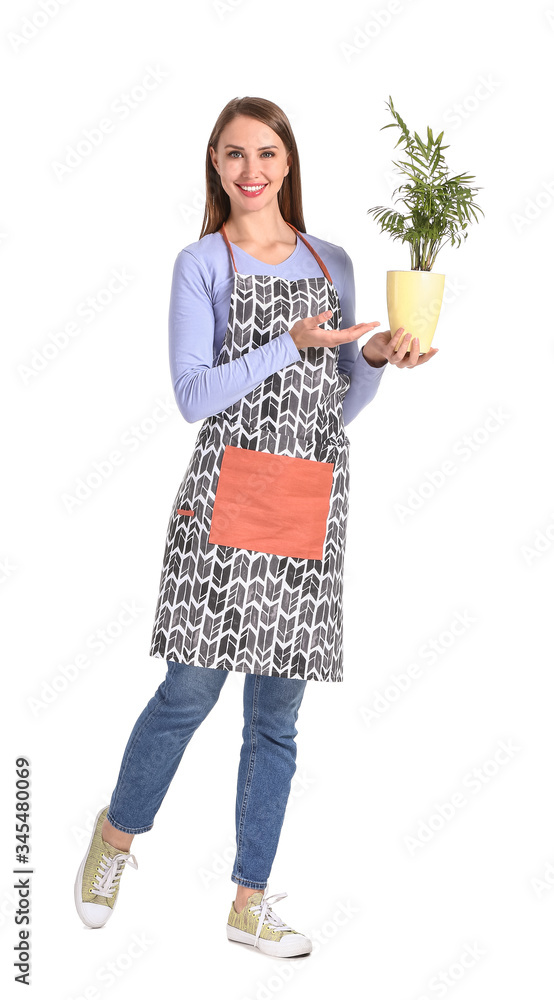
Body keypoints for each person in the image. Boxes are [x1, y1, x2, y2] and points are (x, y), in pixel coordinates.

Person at [74, 95, 437, 957]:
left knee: (276, 717)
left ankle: (249, 900)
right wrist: (293, 342)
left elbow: (340, 402)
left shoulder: (334, 259)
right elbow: (194, 395)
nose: (251, 170)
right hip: (223, 494)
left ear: (288, 162)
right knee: (189, 692)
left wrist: (377, 356)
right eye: (233, 154)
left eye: (266, 153)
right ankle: (115, 840)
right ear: (214, 163)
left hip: (310, 496)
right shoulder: (201, 263)